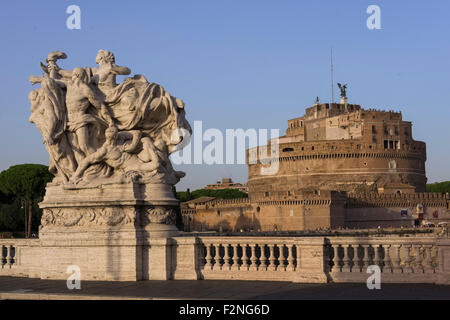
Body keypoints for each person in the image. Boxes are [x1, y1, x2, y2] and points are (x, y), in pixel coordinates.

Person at [70, 126, 161, 183]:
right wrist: (76, 176)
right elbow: (86, 161)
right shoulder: (104, 151)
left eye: (115, 136)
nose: (116, 139)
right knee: (156, 164)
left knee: (149, 141)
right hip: (134, 167)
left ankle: (166, 167)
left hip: (140, 157)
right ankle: (158, 159)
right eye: (113, 138)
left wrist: (133, 145)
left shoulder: (120, 136)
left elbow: (137, 133)